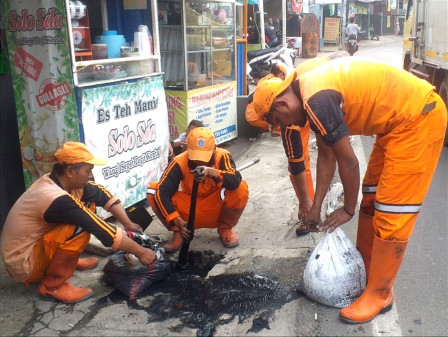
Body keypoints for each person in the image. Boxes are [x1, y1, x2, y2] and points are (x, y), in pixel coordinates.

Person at [252, 56, 447, 323]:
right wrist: (315, 207)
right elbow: (326, 156)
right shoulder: (307, 89)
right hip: (393, 126)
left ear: (282, 103)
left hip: (417, 120)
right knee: (372, 195)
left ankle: (380, 294)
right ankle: (369, 273)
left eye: (278, 121)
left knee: (392, 211)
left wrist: (347, 209)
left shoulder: (316, 100)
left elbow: (349, 163)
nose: (284, 127)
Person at [1, 142, 157, 303]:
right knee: (80, 225)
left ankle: (68, 260)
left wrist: (127, 223)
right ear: (69, 171)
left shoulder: (61, 182)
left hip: (34, 247)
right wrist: (141, 252)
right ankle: (52, 286)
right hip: (25, 263)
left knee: (88, 205)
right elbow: (102, 230)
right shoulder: (54, 197)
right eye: (87, 171)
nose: (90, 175)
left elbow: (103, 194)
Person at [246, 55, 345, 236]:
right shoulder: (284, 93)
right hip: (320, 98)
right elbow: (297, 163)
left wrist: (347, 209)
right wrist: (305, 200)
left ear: (281, 105)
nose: (274, 128)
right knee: (303, 159)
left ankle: (314, 208)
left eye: (273, 121)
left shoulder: (309, 102)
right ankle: (311, 208)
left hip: (332, 98)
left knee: (333, 150)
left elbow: (339, 158)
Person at [147, 127, 249, 251]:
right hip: (189, 209)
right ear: (187, 148)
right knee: (153, 191)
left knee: (241, 188)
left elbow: (234, 180)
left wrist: (212, 172)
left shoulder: (222, 155)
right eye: (196, 155)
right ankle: (179, 231)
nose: (199, 161)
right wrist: (177, 220)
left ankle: (225, 228)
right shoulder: (179, 161)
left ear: (214, 148)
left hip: (215, 206)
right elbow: (162, 192)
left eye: (204, 156)